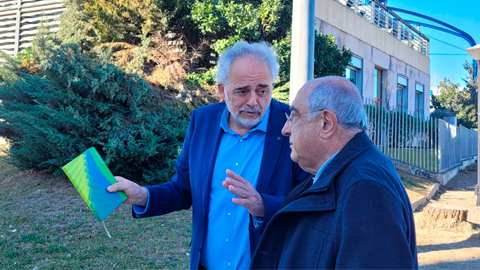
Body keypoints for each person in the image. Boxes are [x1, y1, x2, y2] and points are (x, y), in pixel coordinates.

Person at [107, 41, 311, 269]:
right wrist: (143, 195)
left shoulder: (292, 124)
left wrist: (262, 206)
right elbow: (182, 190)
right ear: (222, 90)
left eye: (263, 90)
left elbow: (310, 204)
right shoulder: (202, 120)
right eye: (243, 91)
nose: (254, 101)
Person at [250, 76, 418, 269]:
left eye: (294, 117)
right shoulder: (345, 175)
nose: (285, 129)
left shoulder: (365, 189)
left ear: (326, 123)